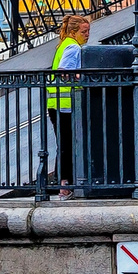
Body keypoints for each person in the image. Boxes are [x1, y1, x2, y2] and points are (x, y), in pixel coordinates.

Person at [47, 15, 92, 198]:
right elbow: (64, 71)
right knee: (68, 144)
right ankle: (65, 185)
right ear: (73, 32)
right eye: (84, 32)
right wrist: (80, 78)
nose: (87, 35)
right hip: (67, 103)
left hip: (55, 102)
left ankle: (64, 183)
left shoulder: (63, 44)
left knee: (64, 144)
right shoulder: (73, 47)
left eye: (88, 31)